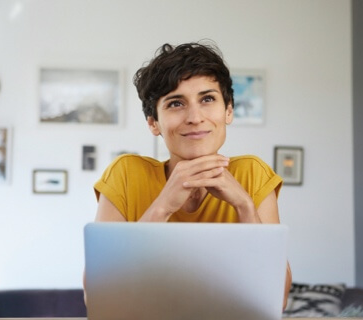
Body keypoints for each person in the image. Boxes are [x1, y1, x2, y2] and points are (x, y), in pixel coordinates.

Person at [91, 41, 292, 309]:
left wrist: (244, 206)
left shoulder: (252, 174)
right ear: (153, 123)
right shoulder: (125, 174)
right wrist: (163, 206)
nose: (195, 117)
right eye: (176, 103)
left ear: (228, 110)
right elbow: (99, 296)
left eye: (207, 99)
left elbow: (276, 300)